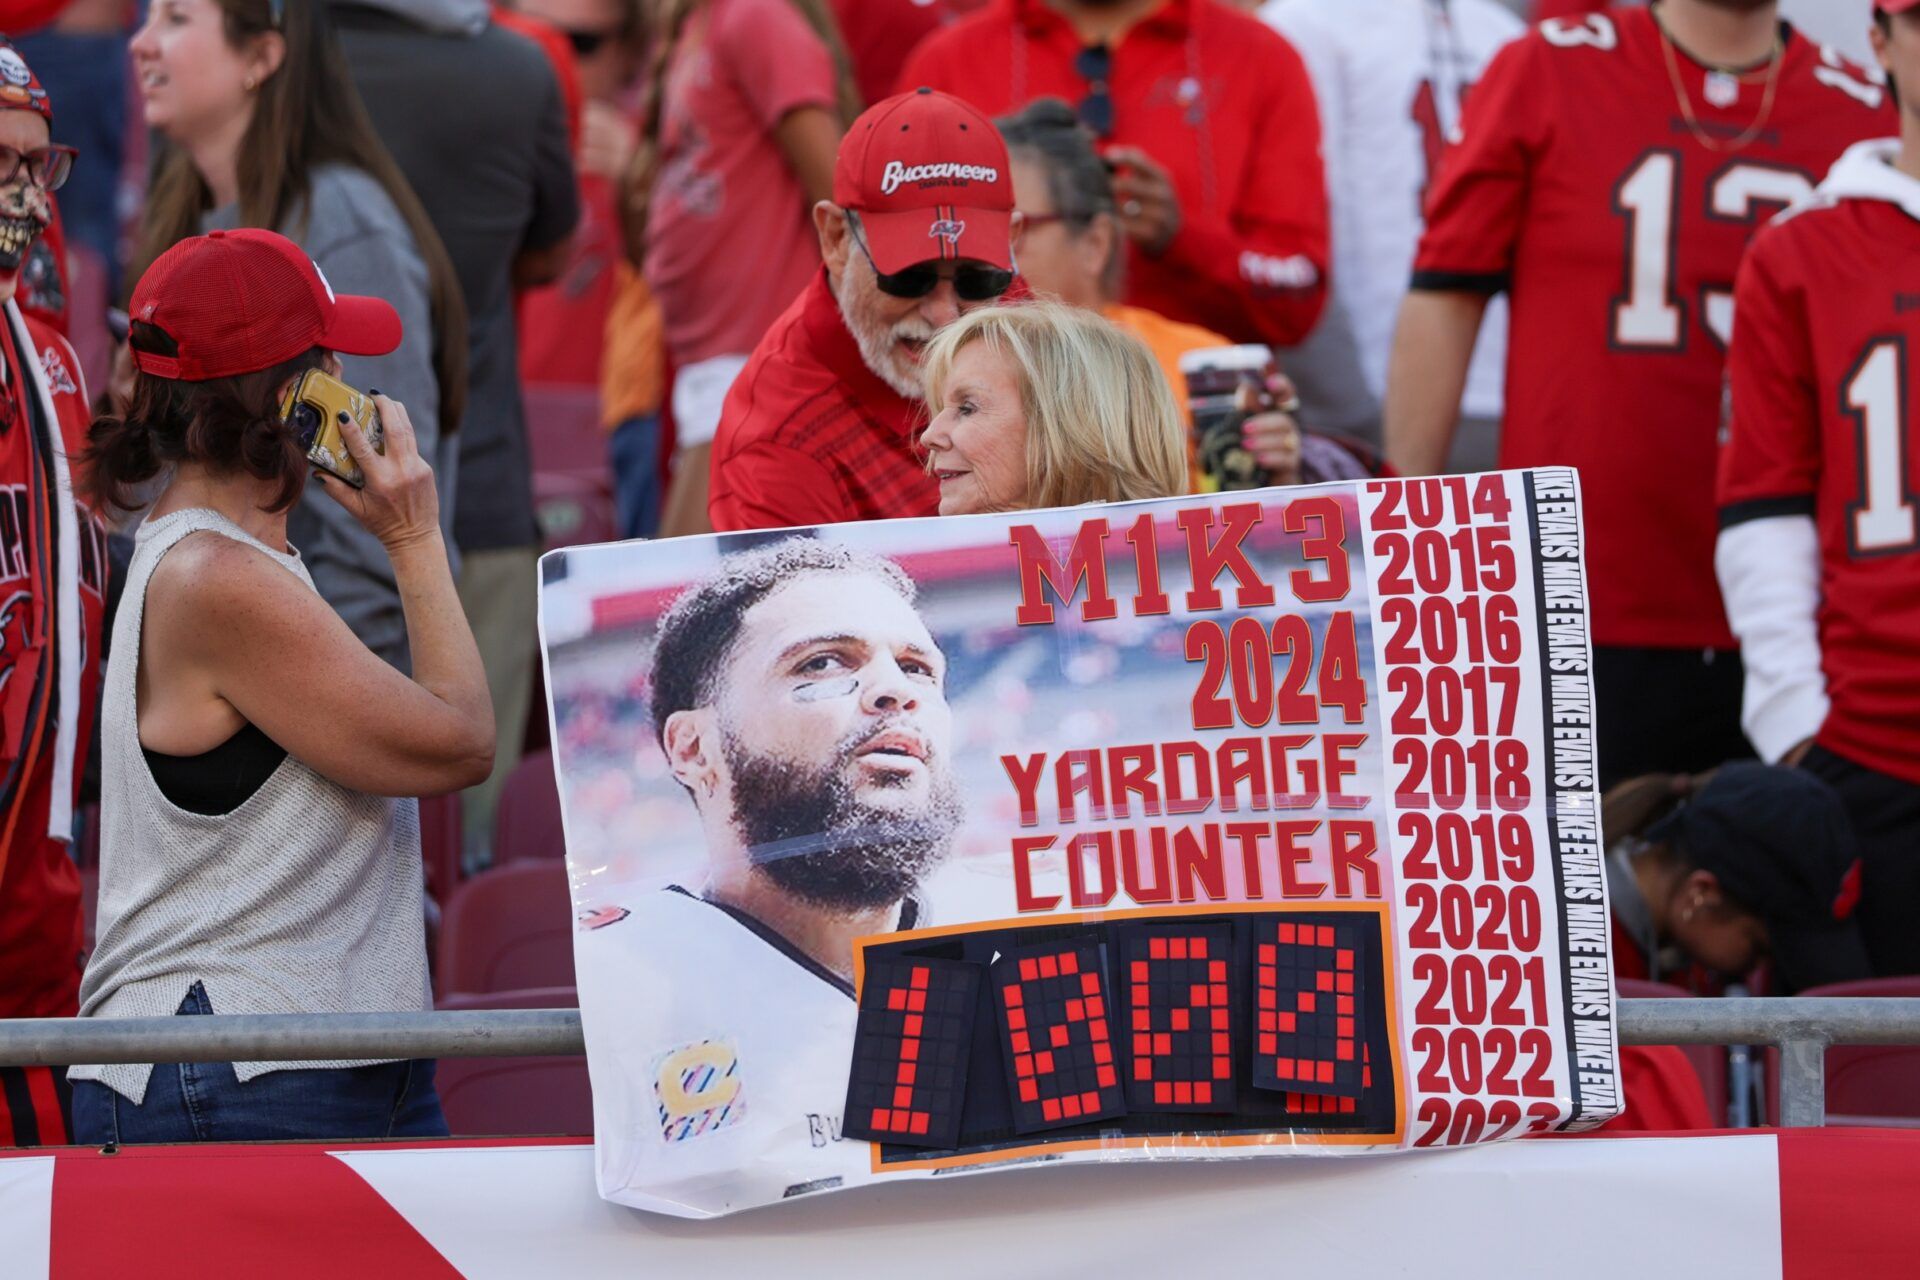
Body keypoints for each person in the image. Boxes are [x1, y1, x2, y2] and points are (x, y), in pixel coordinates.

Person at [1387, 0, 1895, 789]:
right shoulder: (1549, 65)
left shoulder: (1866, 104)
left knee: (1788, 903)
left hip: (1792, 611)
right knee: (1584, 900)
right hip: (1580, 590)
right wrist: (1406, 541)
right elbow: (1446, 295)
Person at [70, 228, 494, 1144]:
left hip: (279, 1054)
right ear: (293, 397)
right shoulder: (214, 579)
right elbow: (463, 738)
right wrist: (415, 540)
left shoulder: (230, 564)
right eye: (329, 358)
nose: (351, 372)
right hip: (241, 1062)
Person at [577, 535, 959, 1202]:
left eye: (919, 669)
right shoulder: (614, 972)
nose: (895, 692)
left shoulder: (1055, 915)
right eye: (823, 663)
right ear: (694, 748)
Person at [129, 0, 469, 673]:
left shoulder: (338, 220)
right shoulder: (185, 208)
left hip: (316, 686)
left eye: (175, 19)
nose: (141, 44)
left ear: (261, 58)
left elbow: (379, 498)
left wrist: (337, 709)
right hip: (222, 656)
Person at [330, 0, 580, 868]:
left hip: (321, 503)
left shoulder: (283, 53)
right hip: (480, 480)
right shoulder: (520, 69)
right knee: (465, 851)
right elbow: (551, 253)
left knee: (340, 849)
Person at [1717, 0, 1920, 975]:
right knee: (1868, 1093)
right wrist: (1795, 725)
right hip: (1874, 740)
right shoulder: (1801, 248)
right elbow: (1763, 507)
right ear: (1877, 43)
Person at [897, 0, 1330, 347]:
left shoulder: (1260, 57)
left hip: (1191, 417)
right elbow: (897, 274)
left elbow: (1296, 303)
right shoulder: (949, 61)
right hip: (995, 403)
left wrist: (1183, 240)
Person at [996, 97, 1370, 488]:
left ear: (1096, 243)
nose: (988, 255)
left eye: (1014, 229)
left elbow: (1248, 531)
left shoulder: (1198, 366)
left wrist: (1280, 481)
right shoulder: (942, 366)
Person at [706, 88, 1018, 531]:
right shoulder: (776, 442)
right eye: (909, 277)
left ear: (1014, 246)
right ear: (834, 239)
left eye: (976, 278)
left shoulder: (1020, 309)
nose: (946, 315)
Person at [632, 0, 858, 538]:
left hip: (760, 360)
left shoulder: (756, 15)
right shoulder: (697, 24)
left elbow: (841, 198)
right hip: (715, 361)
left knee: (684, 594)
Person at [1260, 0, 1523, 463]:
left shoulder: (1504, 31)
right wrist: (1351, 408)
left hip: (1494, 386)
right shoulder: (1304, 22)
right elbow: (1307, 230)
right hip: (1376, 390)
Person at [0, 38, 108, 1149]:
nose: (25, 193)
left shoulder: (50, 360)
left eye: (38, 165)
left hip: (45, 870)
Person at [1601, 765, 1870, 993]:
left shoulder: (1675, 941)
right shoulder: (1583, 948)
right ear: (1701, 893)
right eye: (1759, 950)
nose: (1763, 970)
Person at [919, 301, 1187, 513]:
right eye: (941, 409)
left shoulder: (1203, 579)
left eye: (967, 408)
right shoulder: (896, 580)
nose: (929, 436)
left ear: (1073, 426)